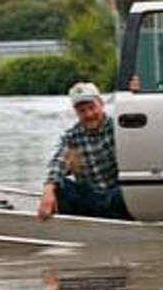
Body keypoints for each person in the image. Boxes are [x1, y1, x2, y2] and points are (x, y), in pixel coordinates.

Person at [38, 82, 132, 221]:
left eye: (92, 107)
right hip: (90, 201)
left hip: (116, 198)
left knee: (128, 190)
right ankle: (78, 224)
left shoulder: (118, 128)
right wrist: (48, 190)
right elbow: (58, 163)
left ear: (101, 104)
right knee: (60, 186)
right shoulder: (72, 137)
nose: (88, 114)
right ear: (76, 112)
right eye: (82, 111)